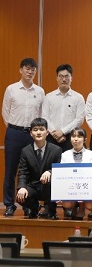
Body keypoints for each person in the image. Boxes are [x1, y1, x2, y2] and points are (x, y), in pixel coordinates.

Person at [3, 57, 45, 216]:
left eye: (33, 69)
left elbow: (41, 115)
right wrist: (14, 128)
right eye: (27, 68)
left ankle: (28, 204)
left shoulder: (40, 91)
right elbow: (5, 112)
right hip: (14, 133)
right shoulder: (11, 89)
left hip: (32, 135)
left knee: (31, 171)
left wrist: (36, 133)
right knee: (10, 170)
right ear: (21, 70)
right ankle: (9, 204)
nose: (30, 72)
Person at [16, 117, 61, 219]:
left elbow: (59, 170)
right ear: (31, 133)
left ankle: (51, 210)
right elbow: (22, 172)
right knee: (20, 196)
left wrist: (50, 172)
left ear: (47, 132)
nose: (39, 132)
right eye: (35, 130)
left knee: (51, 183)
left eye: (41, 129)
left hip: (49, 186)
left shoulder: (56, 150)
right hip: (33, 186)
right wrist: (22, 187)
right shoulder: (25, 151)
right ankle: (34, 208)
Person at [42, 64, 85, 152]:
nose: (64, 79)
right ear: (57, 78)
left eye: (67, 76)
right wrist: (55, 133)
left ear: (71, 78)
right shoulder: (49, 97)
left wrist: (62, 131)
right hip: (51, 137)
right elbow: (45, 117)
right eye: (61, 76)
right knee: (51, 161)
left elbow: (79, 119)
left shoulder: (78, 97)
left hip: (71, 137)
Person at [59, 127, 92, 219]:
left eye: (79, 136)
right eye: (73, 136)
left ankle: (82, 209)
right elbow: (63, 172)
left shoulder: (91, 154)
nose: (76, 139)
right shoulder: (65, 154)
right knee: (67, 204)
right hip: (70, 184)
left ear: (85, 139)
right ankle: (73, 208)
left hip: (86, 184)